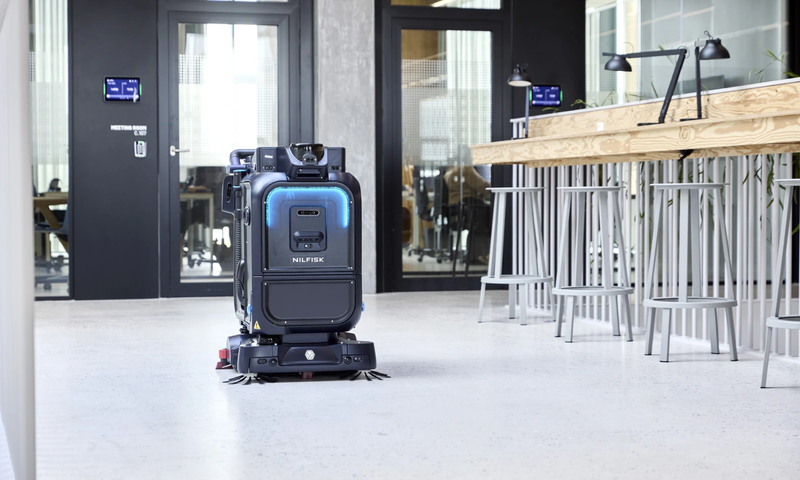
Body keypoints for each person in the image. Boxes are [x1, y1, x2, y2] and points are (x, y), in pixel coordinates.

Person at [444, 166, 491, 265]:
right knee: (487, 217)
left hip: (456, 205)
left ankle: (475, 253)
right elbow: (481, 186)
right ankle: (479, 254)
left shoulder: (449, 172)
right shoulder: (465, 169)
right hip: (468, 204)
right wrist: (495, 187)